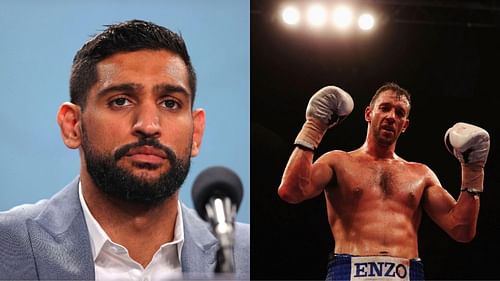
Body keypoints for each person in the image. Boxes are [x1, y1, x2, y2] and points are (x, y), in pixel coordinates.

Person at [0, 20, 249, 280]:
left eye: (170, 103)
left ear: (196, 132)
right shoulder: (6, 244)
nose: (148, 125)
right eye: (120, 101)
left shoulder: (245, 255)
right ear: (73, 125)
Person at [278, 83, 489, 280]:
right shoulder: (338, 161)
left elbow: (461, 230)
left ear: (405, 125)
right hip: (348, 270)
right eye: (385, 108)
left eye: (399, 113)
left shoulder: (421, 174)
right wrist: (314, 127)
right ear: (369, 113)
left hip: (407, 272)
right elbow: (292, 191)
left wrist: (473, 169)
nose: (391, 116)